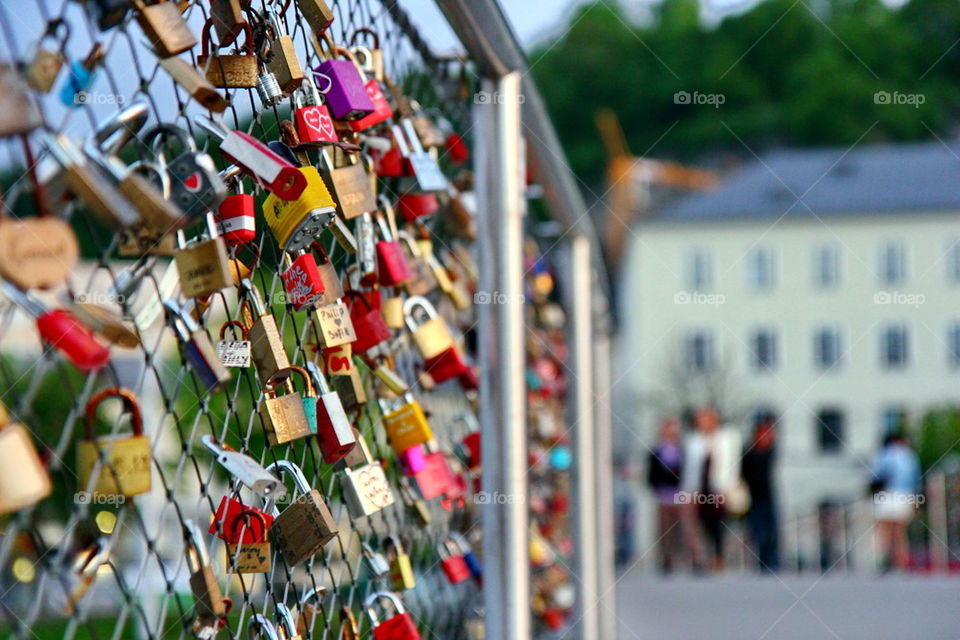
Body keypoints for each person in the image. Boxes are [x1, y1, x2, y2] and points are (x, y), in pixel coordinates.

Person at [681, 406, 742, 572]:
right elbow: (689, 468)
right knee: (700, 526)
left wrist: (729, 486)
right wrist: (687, 491)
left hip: (719, 489)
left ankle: (719, 558)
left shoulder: (727, 438)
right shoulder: (692, 440)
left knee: (719, 524)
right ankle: (702, 559)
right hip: (699, 490)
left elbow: (731, 464)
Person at [870, 432, 921, 572]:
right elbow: (915, 479)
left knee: (884, 529)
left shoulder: (883, 454)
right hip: (905, 495)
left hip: (885, 494)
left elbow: (875, 475)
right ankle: (902, 563)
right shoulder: (910, 456)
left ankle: (885, 561)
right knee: (900, 531)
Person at [741, 416, 780, 572]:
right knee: (758, 534)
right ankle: (762, 565)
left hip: (770, 499)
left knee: (772, 534)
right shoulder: (749, 454)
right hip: (753, 501)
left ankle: (773, 563)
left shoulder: (772, 454)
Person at [647, 417, 684, 573]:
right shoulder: (657, 451)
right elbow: (651, 475)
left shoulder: (682, 450)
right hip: (663, 496)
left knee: (680, 529)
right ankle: (666, 559)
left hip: (680, 497)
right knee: (664, 530)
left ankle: (680, 557)